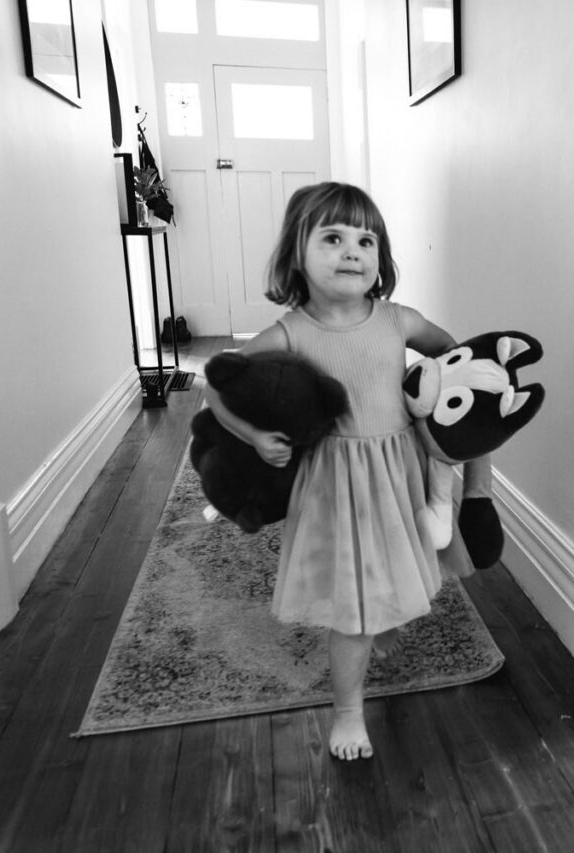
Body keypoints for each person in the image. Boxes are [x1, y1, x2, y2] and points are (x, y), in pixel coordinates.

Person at [203, 182, 476, 760]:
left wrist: (449, 394)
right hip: (336, 482)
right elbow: (216, 387)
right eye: (332, 238)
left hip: (400, 469)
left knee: (399, 568)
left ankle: (384, 617)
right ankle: (349, 712)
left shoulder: (400, 320)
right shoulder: (289, 334)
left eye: (365, 240)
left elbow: (454, 355)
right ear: (295, 255)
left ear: (380, 259)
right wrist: (254, 436)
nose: (352, 251)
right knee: (351, 604)